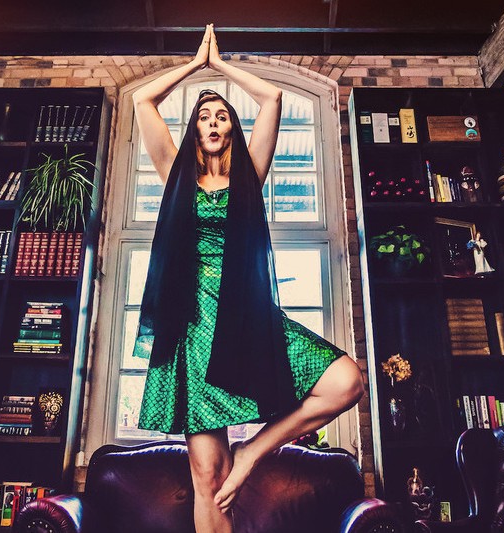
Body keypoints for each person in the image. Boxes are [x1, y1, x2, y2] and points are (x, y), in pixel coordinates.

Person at [131, 24, 364, 532]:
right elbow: (144, 100)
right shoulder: (174, 173)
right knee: (205, 473)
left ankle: (253, 451)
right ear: (195, 129)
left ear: (232, 128)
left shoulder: (249, 176)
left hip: (247, 317)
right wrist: (197, 65)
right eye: (204, 116)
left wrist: (225, 65)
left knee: (347, 379)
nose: (213, 122)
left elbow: (273, 95)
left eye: (221, 116)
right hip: (191, 327)